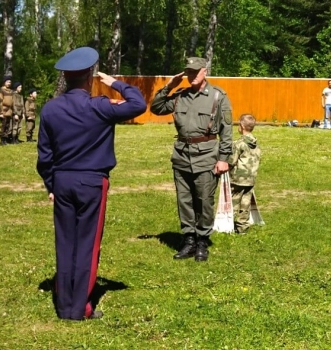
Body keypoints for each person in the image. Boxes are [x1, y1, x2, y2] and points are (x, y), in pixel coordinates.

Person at [36, 47, 146, 320]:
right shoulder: (100, 106)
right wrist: (116, 83)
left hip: (62, 180)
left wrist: (51, 185)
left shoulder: (50, 109)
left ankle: (63, 305)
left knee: (65, 242)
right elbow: (138, 104)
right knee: (87, 243)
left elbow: (44, 156)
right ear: (89, 77)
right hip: (93, 182)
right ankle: (78, 309)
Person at [150, 57, 233, 262]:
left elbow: (227, 130)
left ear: (205, 71)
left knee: (204, 200)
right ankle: (188, 240)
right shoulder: (180, 96)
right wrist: (169, 86)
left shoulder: (217, 96)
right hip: (181, 155)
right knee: (184, 200)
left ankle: (202, 241)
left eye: (196, 72)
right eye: (189, 72)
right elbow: (156, 107)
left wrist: (223, 158)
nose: (192, 76)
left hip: (206, 155)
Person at [228, 114, 261, 234]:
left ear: (241, 126)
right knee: (245, 204)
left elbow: (232, 161)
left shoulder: (239, 143)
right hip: (251, 178)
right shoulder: (256, 143)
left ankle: (228, 225)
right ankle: (242, 228)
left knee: (234, 202)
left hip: (238, 178)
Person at [0, 76, 13, 145]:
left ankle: (5, 138)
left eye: (10, 82)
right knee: (3, 125)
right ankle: (2, 139)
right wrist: (0, 112)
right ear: (4, 82)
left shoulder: (10, 91)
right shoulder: (2, 90)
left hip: (9, 111)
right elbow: (0, 101)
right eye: (7, 82)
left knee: (7, 125)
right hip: (4, 110)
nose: (9, 83)